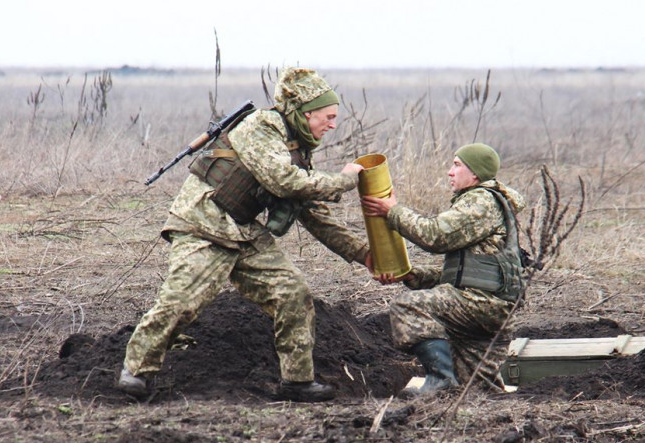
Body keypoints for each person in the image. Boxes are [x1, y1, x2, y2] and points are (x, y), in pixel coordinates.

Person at [119, 67, 371, 402]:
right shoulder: (263, 127)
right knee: (182, 302)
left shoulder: (297, 148)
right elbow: (283, 181)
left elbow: (315, 215)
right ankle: (136, 371)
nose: (333, 124)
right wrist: (345, 180)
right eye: (329, 116)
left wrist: (364, 254)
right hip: (202, 225)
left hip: (243, 232)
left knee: (292, 292)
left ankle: (297, 381)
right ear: (306, 112)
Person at [361, 143, 526, 397]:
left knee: (408, 306)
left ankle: (439, 379)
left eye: (457, 165)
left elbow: (435, 236)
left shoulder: (480, 200)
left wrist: (392, 212)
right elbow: (468, 273)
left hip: (479, 304)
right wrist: (412, 275)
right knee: (475, 394)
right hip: (490, 309)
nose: (450, 172)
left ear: (476, 175)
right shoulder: (491, 205)